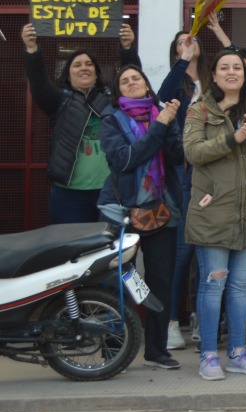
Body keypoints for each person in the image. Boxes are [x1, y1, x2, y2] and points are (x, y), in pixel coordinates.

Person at [184, 48, 246, 380]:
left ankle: (238, 353)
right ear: (214, 74)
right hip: (212, 212)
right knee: (213, 284)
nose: (232, 72)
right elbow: (193, 152)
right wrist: (232, 137)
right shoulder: (200, 110)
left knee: (240, 286)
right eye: (224, 67)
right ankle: (209, 355)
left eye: (237, 67)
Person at [99, 65, 185, 370]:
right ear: (118, 90)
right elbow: (127, 160)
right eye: (125, 80)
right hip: (124, 213)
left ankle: (157, 351)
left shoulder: (161, 114)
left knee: (161, 281)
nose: (132, 82)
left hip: (163, 212)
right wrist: (160, 127)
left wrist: (171, 126)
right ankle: (113, 346)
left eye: (137, 78)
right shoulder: (111, 121)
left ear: (147, 86)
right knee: (117, 281)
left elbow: (176, 158)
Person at [21, 21, 140, 223]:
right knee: (73, 250)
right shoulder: (59, 101)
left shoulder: (111, 100)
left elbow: (132, 79)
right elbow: (39, 84)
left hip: (111, 192)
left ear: (96, 72)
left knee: (109, 253)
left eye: (88, 64)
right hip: (69, 195)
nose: (84, 68)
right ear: (68, 74)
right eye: (77, 65)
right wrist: (32, 50)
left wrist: (127, 48)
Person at [157, 31, 202, 351]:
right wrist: (183, 60)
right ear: (176, 50)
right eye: (181, 41)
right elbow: (162, 94)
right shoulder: (177, 83)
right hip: (184, 174)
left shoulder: (212, 81)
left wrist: (217, 30)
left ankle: (201, 317)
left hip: (212, 174)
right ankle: (172, 322)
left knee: (207, 252)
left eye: (192, 39)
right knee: (183, 251)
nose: (189, 42)